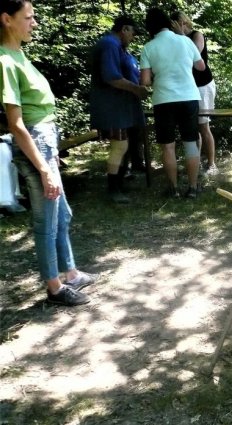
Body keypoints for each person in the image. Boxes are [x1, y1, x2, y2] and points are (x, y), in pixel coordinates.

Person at [0, 0, 95, 306]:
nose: (35, 23)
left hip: (46, 142)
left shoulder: (19, 54)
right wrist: (43, 167)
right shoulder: (4, 61)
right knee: (47, 222)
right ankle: (54, 288)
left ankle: (70, 273)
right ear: (6, 19)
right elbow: (16, 125)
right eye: (28, 17)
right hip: (35, 144)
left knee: (62, 214)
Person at [140, 8, 205, 198]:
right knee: (190, 142)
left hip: (163, 99)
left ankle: (173, 188)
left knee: (168, 146)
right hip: (189, 97)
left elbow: (145, 81)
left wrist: (155, 74)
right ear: (169, 23)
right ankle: (193, 188)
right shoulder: (185, 40)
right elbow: (200, 66)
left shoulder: (148, 47)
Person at [89, 15, 148, 204]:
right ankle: (113, 189)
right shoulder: (109, 44)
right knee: (120, 145)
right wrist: (137, 89)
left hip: (122, 106)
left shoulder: (118, 47)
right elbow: (111, 76)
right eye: (132, 32)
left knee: (126, 144)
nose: (133, 37)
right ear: (124, 29)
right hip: (112, 106)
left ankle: (120, 182)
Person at [171, 11, 219, 176]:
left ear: (183, 22)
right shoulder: (176, 39)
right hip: (188, 87)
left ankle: (212, 164)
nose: (175, 28)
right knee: (192, 127)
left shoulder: (197, 35)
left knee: (203, 125)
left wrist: (179, 36)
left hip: (202, 85)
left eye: (176, 24)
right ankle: (195, 163)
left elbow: (194, 56)